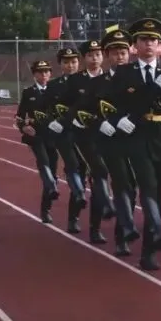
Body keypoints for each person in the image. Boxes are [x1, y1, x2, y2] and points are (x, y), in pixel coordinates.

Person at [98, 17, 161, 270]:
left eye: (153, 40)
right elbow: (110, 104)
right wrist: (118, 119)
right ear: (135, 44)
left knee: (158, 192)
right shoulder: (124, 73)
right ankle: (152, 244)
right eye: (144, 39)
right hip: (136, 138)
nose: (149, 44)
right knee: (147, 187)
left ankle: (150, 241)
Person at [92, 29, 141, 256]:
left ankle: (125, 227)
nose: (120, 56)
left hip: (135, 139)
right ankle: (124, 235)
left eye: (123, 52)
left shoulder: (139, 79)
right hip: (109, 142)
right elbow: (83, 111)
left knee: (133, 187)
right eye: (114, 52)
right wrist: (101, 123)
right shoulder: (99, 83)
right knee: (122, 185)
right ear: (107, 55)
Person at [64, 38, 115, 244]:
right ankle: (73, 217)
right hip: (81, 136)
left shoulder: (110, 79)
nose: (95, 58)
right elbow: (66, 107)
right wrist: (74, 120)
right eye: (90, 55)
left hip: (105, 135)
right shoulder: (75, 81)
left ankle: (95, 228)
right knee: (90, 173)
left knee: (98, 177)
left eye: (98, 54)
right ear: (84, 58)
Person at [44, 47, 89, 233]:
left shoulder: (87, 81)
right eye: (66, 62)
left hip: (84, 133)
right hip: (63, 133)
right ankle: (79, 193)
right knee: (72, 164)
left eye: (74, 62)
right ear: (60, 64)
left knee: (82, 168)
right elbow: (46, 109)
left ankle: (73, 217)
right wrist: (52, 123)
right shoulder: (54, 86)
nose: (71, 65)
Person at [15, 59, 61, 223]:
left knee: (52, 169)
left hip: (52, 135)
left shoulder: (56, 91)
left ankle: (45, 208)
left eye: (47, 72)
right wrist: (24, 127)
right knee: (43, 161)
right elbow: (20, 116)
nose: (44, 75)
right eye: (40, 72)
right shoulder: (29, 92)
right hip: (36, 135)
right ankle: (52, 186)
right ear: (34, 75)